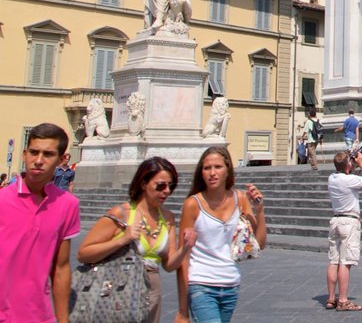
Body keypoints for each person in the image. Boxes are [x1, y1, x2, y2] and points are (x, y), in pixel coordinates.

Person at [78, 157, 196, 323]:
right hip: (119, 288)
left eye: (171, 186)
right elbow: (83, 253)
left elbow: (168, 265)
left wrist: (185, 248)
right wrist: (122, 240)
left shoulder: (167, 217)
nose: (167, 191)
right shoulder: (122, 213)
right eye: (160, 185)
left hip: (151, 291)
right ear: (143, 183)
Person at [176, 146, 266, 323]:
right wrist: (183, 311)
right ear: (201, 172)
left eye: (218, 167)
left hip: (230, 285)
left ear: (228, 170)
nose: (212, 173)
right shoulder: (192, 204)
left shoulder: (240, 199)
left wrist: (260, 211)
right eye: (207, 168)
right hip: (201, 284)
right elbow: (183, 257)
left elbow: (259, 244)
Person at [0, 123, 79, 323]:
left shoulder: (68, 205)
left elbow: (61, 268)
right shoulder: (2, 199)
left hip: (39, 316)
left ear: (62, 160)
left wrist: (63, 320)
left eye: (48, 154)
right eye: (34, 152)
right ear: (24, 154)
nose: (38, 160)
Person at [324, 151, 362, 312]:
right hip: (349, 222)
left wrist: (350, 165)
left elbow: (346, 172)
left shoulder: (332, 178)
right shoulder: (349, 180)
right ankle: (343, 300)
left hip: (336, 220)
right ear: (348, 165)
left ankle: (331, 298)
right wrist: (361, 163)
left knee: (334, 261)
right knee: (345, 262)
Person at [303, 107, 321, 171]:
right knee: (311, 153)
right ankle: (312, 165)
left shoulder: (308, 121)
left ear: (310, 115)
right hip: (316, 139)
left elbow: (305, 131)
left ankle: (315, 166)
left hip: (311, 140)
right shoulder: (318, 121)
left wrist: (302, 137)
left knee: (312, 153)